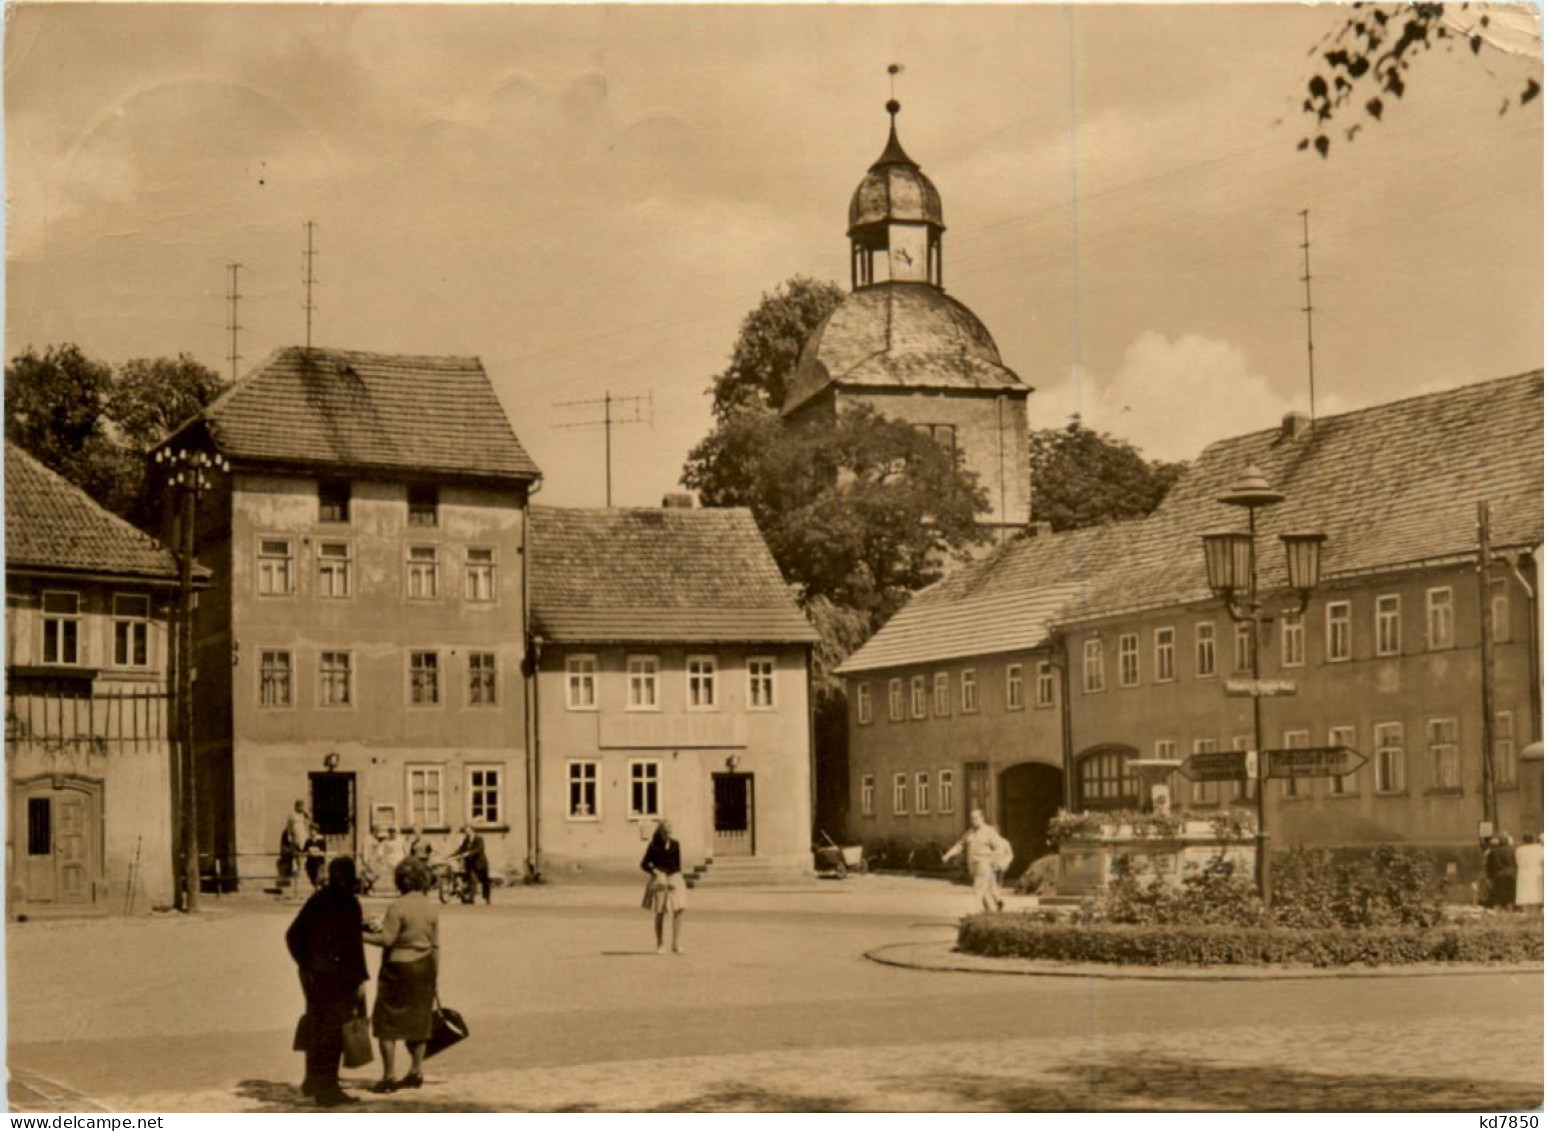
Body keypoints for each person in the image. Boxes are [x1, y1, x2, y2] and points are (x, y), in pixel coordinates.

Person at [285, 856, 369, 1107]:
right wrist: (360, 980)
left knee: (316, 1025)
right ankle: (327, 1087)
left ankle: (312, 1080)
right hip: (339, 978)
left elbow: (292, 934)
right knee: (333, 1033)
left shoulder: (318, 900)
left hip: (316, 976)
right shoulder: (350, 904)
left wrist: (306, 963)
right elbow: (354, 948)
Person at [365, 856, 440, 1093]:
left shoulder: (397, 906)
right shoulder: (431, 907)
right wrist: (435, 977)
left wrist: (359, 934)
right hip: (424, 966)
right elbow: (436, 945)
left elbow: (387, 939)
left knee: (387, 1022)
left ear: (400, 881)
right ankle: (416, 1071)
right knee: (419, 1020)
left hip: (398, 969)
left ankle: (389, 1076)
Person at [943, 808, 1014, 913]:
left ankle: (975, 911)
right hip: (972, 865)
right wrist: (948, 855)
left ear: (982, 818)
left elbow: (999, 847)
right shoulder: (969, 833)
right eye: (972, 819)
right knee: (986, 891)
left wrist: (995, 861)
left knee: (978, 887)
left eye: (975, 818)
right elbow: (960, 845)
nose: (973, 821)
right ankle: (994, 909)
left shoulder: (989, 831)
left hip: (984, 863)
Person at [640, 818, 687, 954]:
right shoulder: (653, 846)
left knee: (679, 910)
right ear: (660, 832)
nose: (668, 835)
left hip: (673, 878)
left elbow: (678, 865)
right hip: (659, 880)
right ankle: (660, 944)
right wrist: (654, 871)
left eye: (670, 832)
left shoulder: (675, 844)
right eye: (665, 832)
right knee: (660, 912)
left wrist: (677, 880)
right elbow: (643, 864)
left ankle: (676, 944)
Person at [452, 824, 491, 905]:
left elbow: (478, 849)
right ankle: (471, 898)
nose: (467, 833)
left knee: (485, 882)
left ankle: (487, 898)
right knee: (473, 879)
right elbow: (461, 849)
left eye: (468, 831)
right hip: (471, 864)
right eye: (466, 832)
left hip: (481, 863)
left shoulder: (479, 839)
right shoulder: (466, 840)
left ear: (473, 831)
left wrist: (468, 853)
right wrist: (452, 855)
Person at [282, 800, 312, 890]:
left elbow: (309, 822)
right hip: (295, 835)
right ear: (296, 806)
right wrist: (289, 836)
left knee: (304, 852)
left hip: (303, 834)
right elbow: (289, 826)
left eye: (302, 806)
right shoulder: (292, 815)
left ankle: (303, 869)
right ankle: (296, 869)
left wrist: (306, 813)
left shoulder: (304, 815)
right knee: (296, 853)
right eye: (300, 806)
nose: (301, 808)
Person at [1486, 833, 1518, 910]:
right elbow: (1515, 862)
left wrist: (1490, 877)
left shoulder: (1493, 852)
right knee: (1511, 894)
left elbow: (1489, 866)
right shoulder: (1512, 850)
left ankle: (1499, 911)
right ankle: (1510, 910)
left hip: (1498, 875)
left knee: (1499, 895)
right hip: (1511, 874)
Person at [1516, 832, 1543, 911]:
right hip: (1536, 871)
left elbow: (1517, 860)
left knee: (1525, 893)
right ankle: (1536, 910)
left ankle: (1526, 910)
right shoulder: (1539, 848)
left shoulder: (1519, 850)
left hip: (1523, 872)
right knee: (1536, 892)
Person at [303, 825, 329, 890]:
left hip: (318, 862)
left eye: (313, 830)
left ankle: (318, 891)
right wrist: (308, 852)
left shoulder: (321, 840)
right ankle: (315, 889)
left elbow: (324, 851)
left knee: (318, 878)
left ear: (316, 831)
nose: (311, 832)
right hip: (310, 862)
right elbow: (304, 851)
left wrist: (317, 852)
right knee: (312, 877)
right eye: (310, 830)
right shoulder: (308, 841)